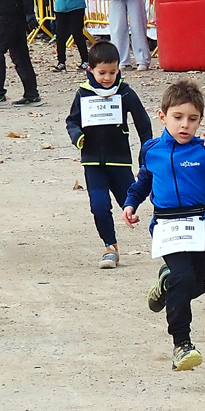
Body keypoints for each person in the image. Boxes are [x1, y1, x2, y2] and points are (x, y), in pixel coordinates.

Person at [123, 78, 205, 370]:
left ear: (200, 120)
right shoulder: (152, 149)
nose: (184, 125)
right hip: (167, 226)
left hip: (201, 224)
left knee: (195, 285)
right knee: (183, 278)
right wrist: (130, 202)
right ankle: (182, 344)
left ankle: (166, 282)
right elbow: (144, 180)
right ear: (162, 116)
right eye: (178, 118)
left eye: (192, 119)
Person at [65, 41, 155, 269]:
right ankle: (110, 247)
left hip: (120, 160)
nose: (107, 78)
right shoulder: (83, 93)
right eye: (102, 72)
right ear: (90, 71)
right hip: (92, 162)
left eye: (112, 72)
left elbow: (143, 123)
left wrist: (147, 152)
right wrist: (78, 137)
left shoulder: (125, 92)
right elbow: (72, 121)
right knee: (99, 205)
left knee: (132, 201)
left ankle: (166, 238)